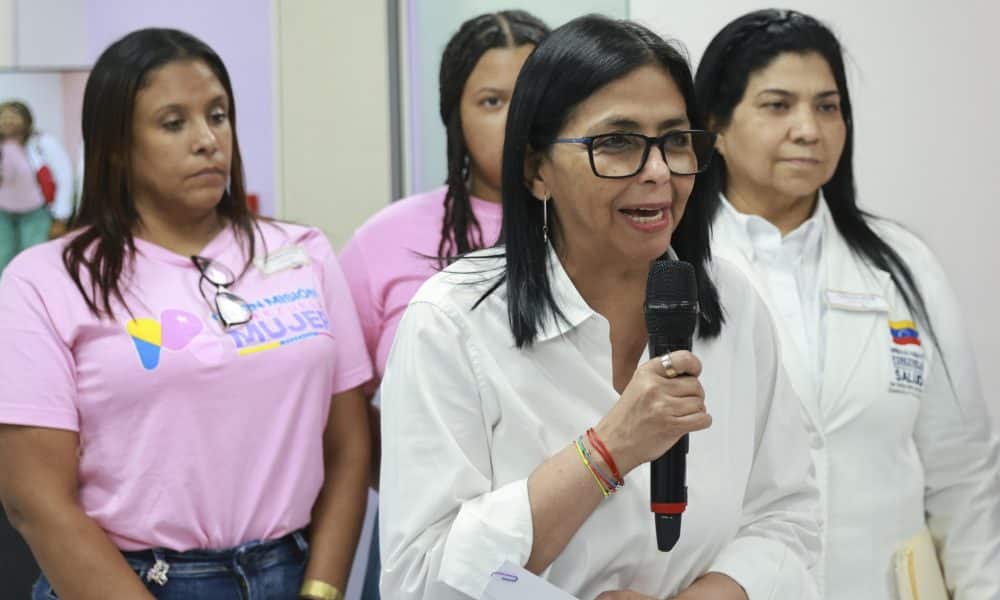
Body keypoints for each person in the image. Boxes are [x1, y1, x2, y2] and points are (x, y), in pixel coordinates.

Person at [378, 15, 822, 600]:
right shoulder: (453, 321)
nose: (659, 172)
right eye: (617, 143)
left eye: (675, 140)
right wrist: (609, 449)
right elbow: (419, 579)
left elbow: (787, 518)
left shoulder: (731, 300)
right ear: (537, 169)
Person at [0, 28, 371, 599]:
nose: (208, 140)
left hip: (290, 571)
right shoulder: (45, 279)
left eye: (218, 115)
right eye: (174, 123)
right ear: (116, 145)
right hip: (125, 580)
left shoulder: (304, 253)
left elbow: (347, 447)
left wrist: (321, 589)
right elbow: (35, 499)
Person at [693, 9, 1000, 599]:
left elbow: (962, 473)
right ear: (717, 128)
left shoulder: (900, 266)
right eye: (778, 105)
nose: (810, 129)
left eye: (828, 106)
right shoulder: (677, 267)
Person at [338, 10, 549, 598]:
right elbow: (341, 401)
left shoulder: (598, 225)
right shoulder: (385, 238)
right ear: (453, 115)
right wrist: (417, 462)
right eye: (491, 100)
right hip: (431, 524)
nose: (517, 119)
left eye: (532, 95)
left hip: (578, 510)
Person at [0, 100, 74, 271]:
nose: (8, 120)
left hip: (35, 213)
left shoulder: (43, 143)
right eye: (3, 115)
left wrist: (61, 218)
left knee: (33, 260)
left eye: (14, 115)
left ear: (27, 120)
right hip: (3, 214)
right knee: (3, 259)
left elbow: (65, 178)